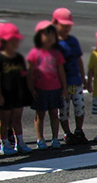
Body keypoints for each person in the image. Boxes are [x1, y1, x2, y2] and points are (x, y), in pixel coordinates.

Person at [0, 23, 33, 155]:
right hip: (4, 93)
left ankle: (20, 142)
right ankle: (4, 144)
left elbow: (23, 76)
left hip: (17, 93)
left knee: (17, 119)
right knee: (4, 120)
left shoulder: (18, 58)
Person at [26, 20, 67, 149]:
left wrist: (64, 88)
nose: (49, 38)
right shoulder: (34, 53)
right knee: (40, 115)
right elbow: (30, 73)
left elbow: (61, 71)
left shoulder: (56, 53)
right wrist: (31, 89)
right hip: (40, 89)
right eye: (46, 34)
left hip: (55, 89)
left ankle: (55, 138)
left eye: (52, 35)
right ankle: (40, 139)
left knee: (54, 113)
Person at [52, 8, 88, 145]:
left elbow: (78, 59)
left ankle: (79, 130)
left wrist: (83, 78)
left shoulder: (73, 41)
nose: (66, 28)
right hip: (61, 84)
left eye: (68, 26)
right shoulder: (54, 43)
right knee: (64, 110)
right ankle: (67, 132)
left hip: (75, 80)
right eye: (63, 25)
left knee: (79, 106)